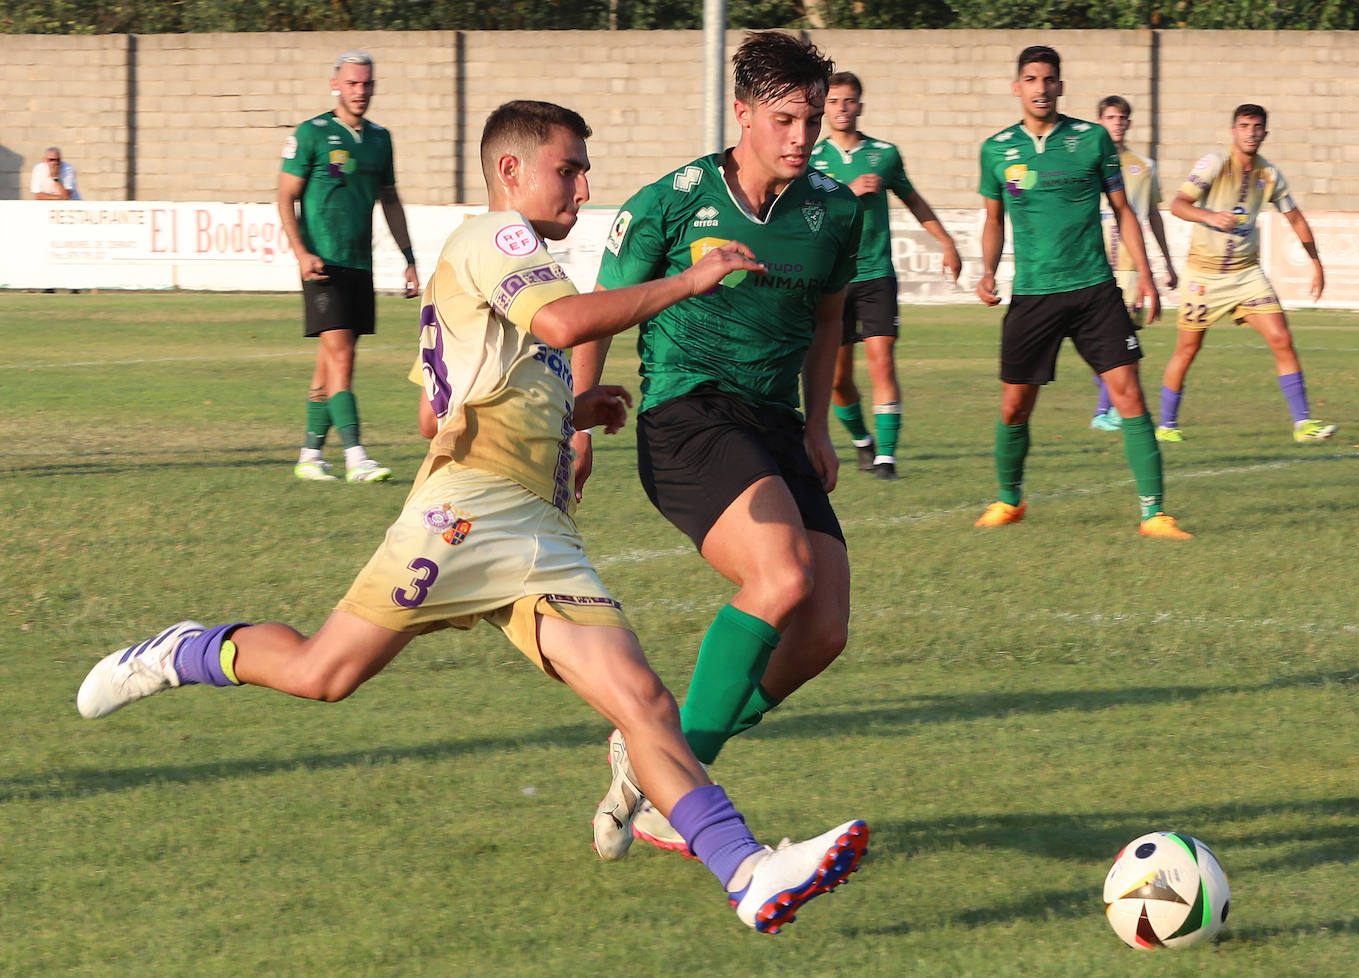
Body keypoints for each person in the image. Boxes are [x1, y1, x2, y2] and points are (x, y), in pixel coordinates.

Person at [75, 100, 868, 935]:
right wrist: (687, 280)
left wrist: (571, 407)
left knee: (643, 704)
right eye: (569, 168)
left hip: (539, 528)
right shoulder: (499, 237)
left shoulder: (488, 260)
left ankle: (747, 872)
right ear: (512, 172)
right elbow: (561, 323)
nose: (583, 185)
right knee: (324, 673)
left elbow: (438, 410)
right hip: (465, 512)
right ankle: (180, 650)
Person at [573, 31, 865, 857]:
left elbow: (830, 319)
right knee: (780, 574)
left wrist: (815, 424)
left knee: (824, 626)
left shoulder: (837, 212)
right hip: (686, 415)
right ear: (743, 113)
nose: (802, 136)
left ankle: (653, 757)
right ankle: (682, 781)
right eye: (784, 118)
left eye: (811, 117)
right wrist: (578, 420)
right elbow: (602, 305)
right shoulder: (671, 200)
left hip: (774, 426)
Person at [974, 45, 1190, 540]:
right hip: (1033, 294)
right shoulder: (996, 150)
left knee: (1129, 394)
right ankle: (1009, 500)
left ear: (1061, 86)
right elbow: (993, 219)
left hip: (1095, 290)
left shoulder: (1091, 140)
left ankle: (1154, 514)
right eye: (1031, 79)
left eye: (1049, 79)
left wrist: (1150, 277)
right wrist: (987, 271)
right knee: (1014, 407)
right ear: (1017, 87)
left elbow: (1124, 211)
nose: (1041, 88)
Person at [279, 50, 420, 485]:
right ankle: (356, 457)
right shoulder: (311, 134)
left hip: (360, 265)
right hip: (323, 264)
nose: (360, 91)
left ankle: (309, 455)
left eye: (367, 83)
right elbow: (285, 196)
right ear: (335, 84)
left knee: (331, 364)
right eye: (352, 83)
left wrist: (410, 259)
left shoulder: (380, 139)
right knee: (342, 357)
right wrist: (302, 253)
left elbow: (390, 200)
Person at [812, 72, 962, 479]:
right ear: (823, 107)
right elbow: (799, 211)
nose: (842, 108)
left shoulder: (884, 155)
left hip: (877, 273)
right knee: (838, 379)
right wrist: (846, 188)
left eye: (849, 101)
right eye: (834, 101)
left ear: (860, 105)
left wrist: (946, 242)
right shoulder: (810, 159)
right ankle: (863, 442)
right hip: (833, 278)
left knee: (882, 362)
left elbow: (913, 199)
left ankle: (887, 458)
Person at [1156, 104, 1334, 444]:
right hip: (1204, 276)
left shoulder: (1269, 174)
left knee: (1282, 339)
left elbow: (1295, 218)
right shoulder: (1214, 163)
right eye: (1244, 126)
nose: (1250, 132)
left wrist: (1316, 263)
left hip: (1246, 274)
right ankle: (1166, 425)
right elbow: (1178, 205)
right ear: (1233, 130)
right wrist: (1209, 216)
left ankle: (1303, 424)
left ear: (1265, 133)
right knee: (1187, 350)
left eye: (1257, 127)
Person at [1088, 95, 1177, 432]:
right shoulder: (1088, 162)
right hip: (1097, 263)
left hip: (1130, 266)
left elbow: (1152, 215)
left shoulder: (1144, 167)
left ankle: (1106, 410)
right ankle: (1105, 409)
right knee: (1106, 339)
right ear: (1100, 121)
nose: (1117, 123)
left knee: (1124, 339)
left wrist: (1166, 263)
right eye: (1111, 117)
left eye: (1123, 118)